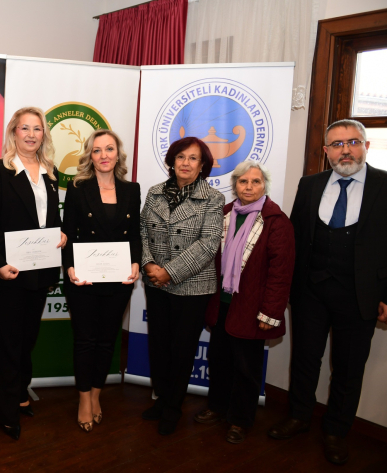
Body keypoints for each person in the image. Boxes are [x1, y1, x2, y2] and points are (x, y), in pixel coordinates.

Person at [268, 119, 387, 465]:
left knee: (349, 369)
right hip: (310, 292)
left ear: (366, 146)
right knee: (305, 359)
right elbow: (294, 238)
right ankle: (298, 417)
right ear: (326, 151)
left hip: (360, 296)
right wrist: (287, 288)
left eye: (352, 142)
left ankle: (336, 431)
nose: (345, 150)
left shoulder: (384, 185)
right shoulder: (310, 184)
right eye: (337, 144)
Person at [193, 161, 294, 444]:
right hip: (221, 304)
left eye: (255, 182)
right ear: (235, 184)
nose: (249, 187)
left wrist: (270, 312)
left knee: (246, 368)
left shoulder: (276, 221)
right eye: (243, 181)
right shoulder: (224, 213)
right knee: (219, 360)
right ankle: (217, 407)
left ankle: (240, 420)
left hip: (252, 308)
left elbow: (281, 272)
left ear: (264, 186)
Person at [0, 106, 67, 440]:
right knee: (7, 342)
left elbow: (48, 219)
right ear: (13, 132)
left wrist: (60, 233)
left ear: (44, 135)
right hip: (11, 272)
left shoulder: (50, 172)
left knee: (27, 338)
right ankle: (2, 411)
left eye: (37, 129)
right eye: (25, 128)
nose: (31, 134)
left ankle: (18, 394)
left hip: (40, 272)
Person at [139, 136, 224, 436]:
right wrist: (149, 265)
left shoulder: (213, 199)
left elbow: (209, 244)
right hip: (155, 283)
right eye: (180, 157)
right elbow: (142, 231)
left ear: (203, 166)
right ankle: (162, 399)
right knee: (159, 346)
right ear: (172, 161)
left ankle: (173, 408)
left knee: (182, 350)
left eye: (193, 158)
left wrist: (170, 273)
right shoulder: (154, 192)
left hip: (192, 287)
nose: (186, 163)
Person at [61, 129, 141, 432]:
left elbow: (135, 234)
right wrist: (69, 266)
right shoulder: (78, 188)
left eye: (109, 149)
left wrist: (136, 261)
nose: (104, 155)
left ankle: (96, 394)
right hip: (84, 278)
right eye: (97, 150)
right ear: (90, 156)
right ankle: (84, 399)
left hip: (119, 279)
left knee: (107, 340)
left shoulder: (132, 189)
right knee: (85, 340)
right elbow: (68, 232)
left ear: (118, 154)